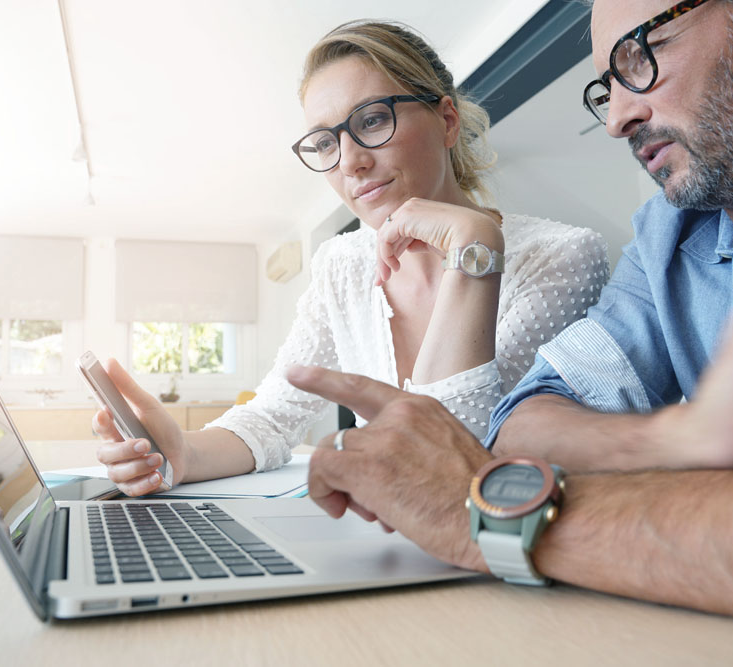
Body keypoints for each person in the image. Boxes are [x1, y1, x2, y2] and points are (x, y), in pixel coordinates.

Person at [292, 0, 733, 639]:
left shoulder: (566, 250)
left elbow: (478, 475)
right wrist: (688, 439)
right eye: (607, 86)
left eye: (642, 54)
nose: (618, 118)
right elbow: (522, 426)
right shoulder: (669, 237)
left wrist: (494, 521)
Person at [93, 20, 608, 495]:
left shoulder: (560, 257)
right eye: (324, 142)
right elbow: (274, 415)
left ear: (448, 121)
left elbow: (451, 461)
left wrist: (475, 251)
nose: (352, 163)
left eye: (373, 119)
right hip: (389, 537)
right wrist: (183, 452)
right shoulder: (343, 263)